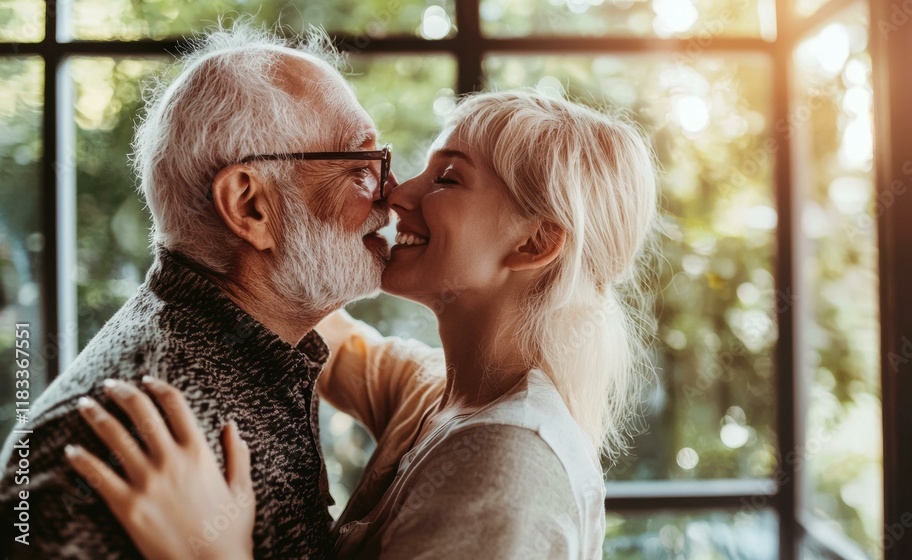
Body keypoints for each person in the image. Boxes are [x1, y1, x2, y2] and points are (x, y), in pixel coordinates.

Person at [64, 90, 659, 559]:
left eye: (448, 178)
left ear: (534, 242)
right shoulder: (436, 395)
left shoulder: (509, 462)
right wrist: (274, 215)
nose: (396, 194)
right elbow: (304, 313)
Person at [0, 21, 396, 558]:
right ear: (251, 206)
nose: (391, 193)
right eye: (361, 162)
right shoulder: (109, 442)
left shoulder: (269, 346)